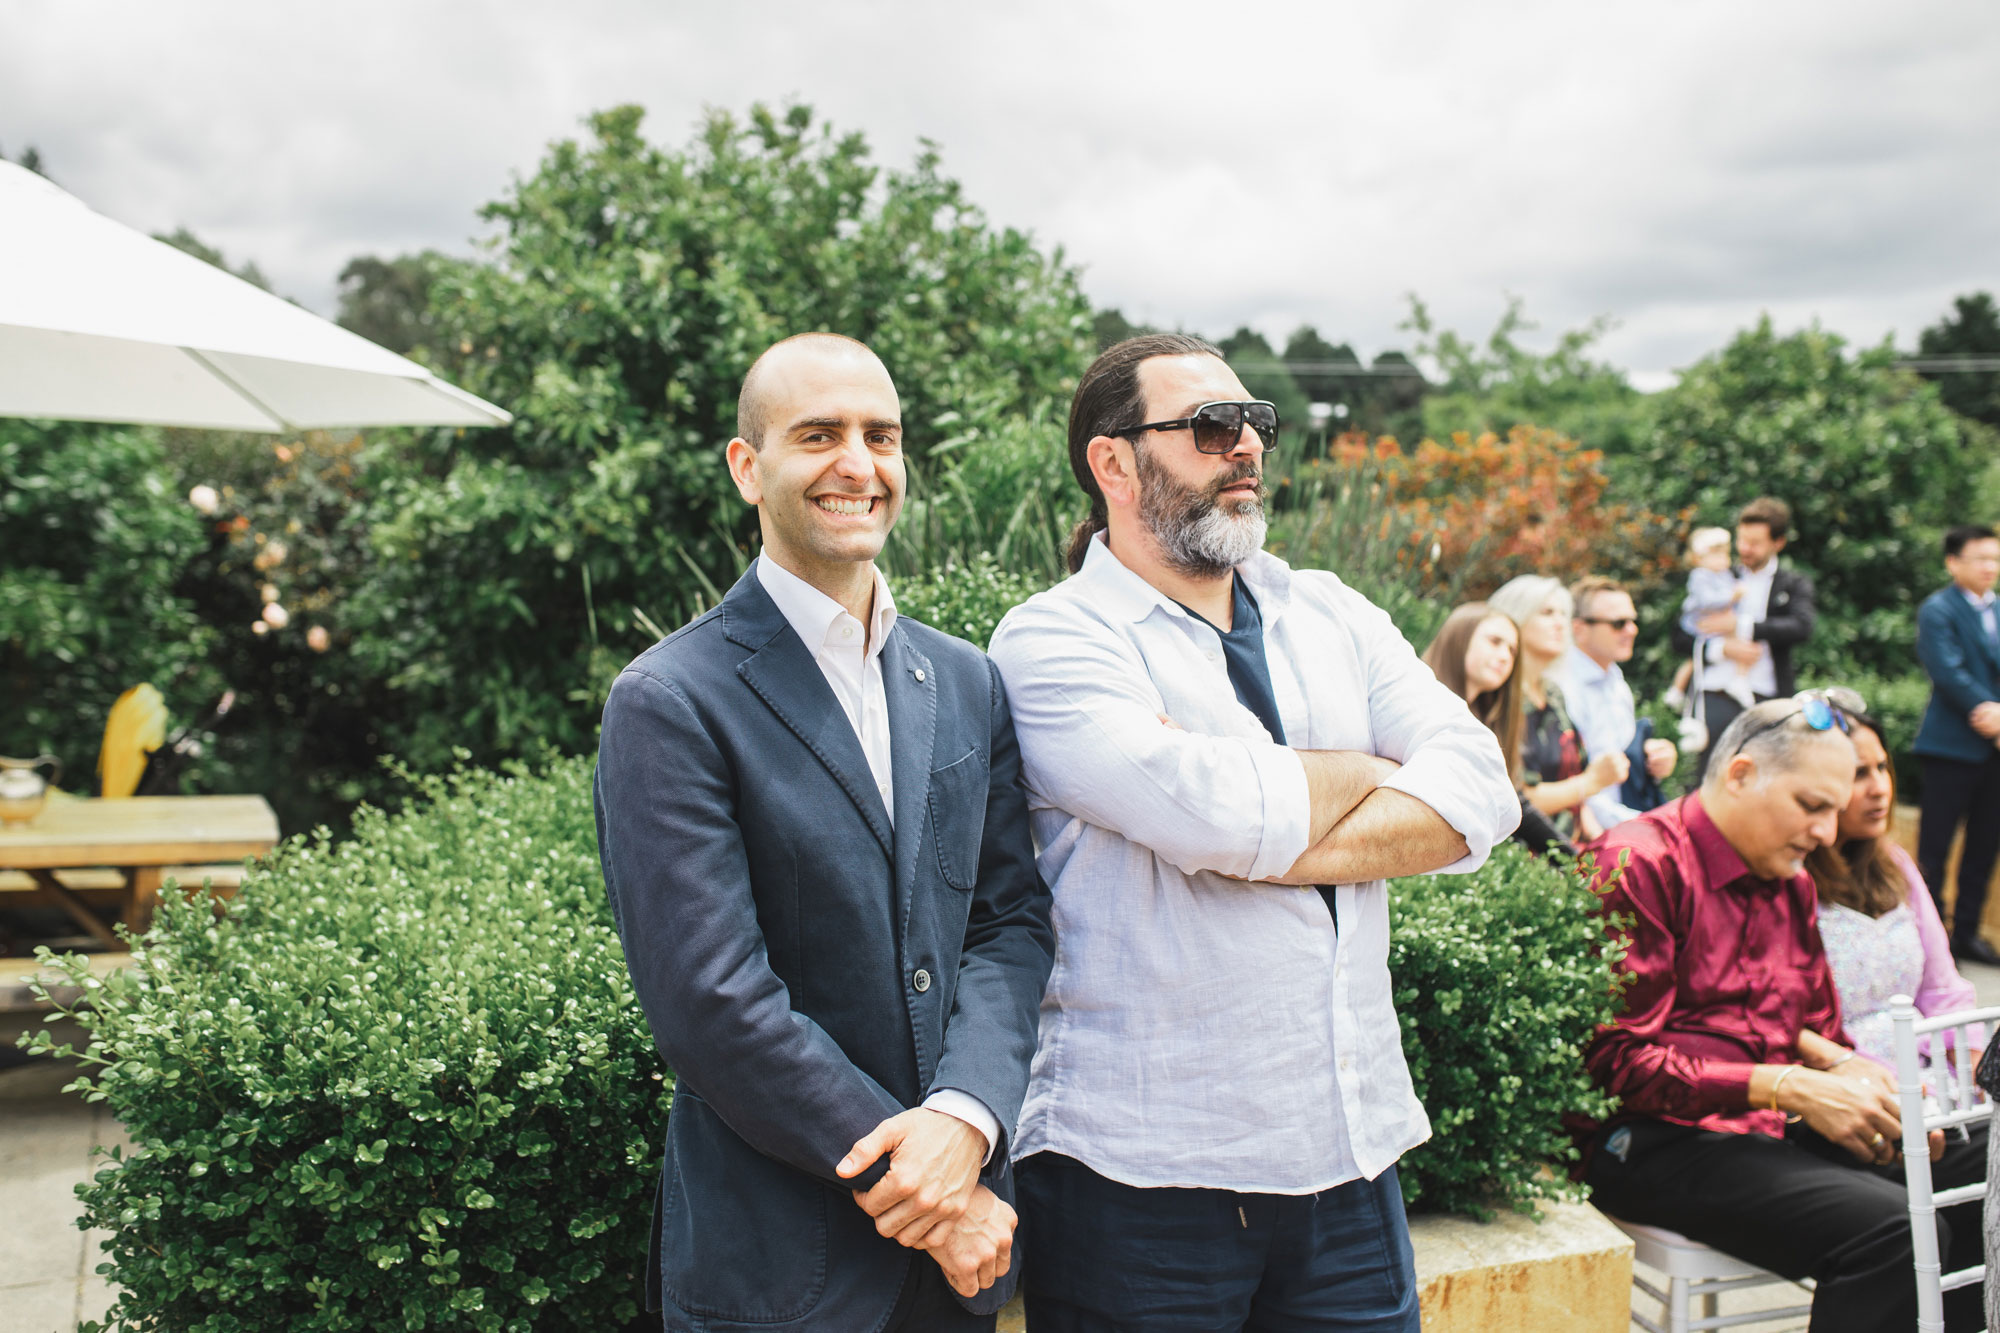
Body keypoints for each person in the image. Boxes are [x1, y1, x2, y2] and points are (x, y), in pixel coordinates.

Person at [986, 333, 1520, 1331]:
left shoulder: (1329, 611)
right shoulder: (1052, 638)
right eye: (1207, 427)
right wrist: (1369, 773)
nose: (1245, 446)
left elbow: (1478, 791)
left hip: (1351, 1163)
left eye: (1254, 423)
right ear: (1111, 462)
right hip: (1140, 1181)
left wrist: (1261, 835)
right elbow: (1213, 813)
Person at [593, 333, 1055, 1332]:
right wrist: (932, 1197)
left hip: (953, 1276)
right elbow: (713, 1003)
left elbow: (1008, 924)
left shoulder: (966, 681)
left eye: (879, 436)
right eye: (819, 435)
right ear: (746, 468)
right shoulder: (671, 700)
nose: (858, 463)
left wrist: (966, 1122)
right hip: (781, 1273)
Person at [1579, 695, 1988, 1333]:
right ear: (1740, 775)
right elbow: (1614, 1064)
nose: (1828, 832)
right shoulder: (1635, 862)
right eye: (1812, 806)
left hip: (1767, 1122)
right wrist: (1790, 1085)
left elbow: (1817, 1028)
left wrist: (1856, 1076)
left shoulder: (1791, 878)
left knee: (1987, 1163)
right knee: (1901, 1232)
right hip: (1647, 1138)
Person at [1804, 696, 1976, 1070]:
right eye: (1858, 774)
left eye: (1882, 767)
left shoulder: (1895, 864)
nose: (1880, 788)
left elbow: (1942, 986)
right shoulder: (1790, 879)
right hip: (1848, 1089)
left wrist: (1972, 1067)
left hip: (1934, 1083)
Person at [1673, 497, 1818, 777]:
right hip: (1716, 691)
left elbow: (1802, 627)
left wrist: (1742, 626)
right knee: (1709, 775)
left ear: (1778, 543)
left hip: (1768, 697)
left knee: (1763, 778)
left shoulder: (1793, 583)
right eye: (1741, 540)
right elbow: (1680, 636)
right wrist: (1721, 649)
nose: (1744, 549)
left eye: (1754, 543)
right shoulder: (1716, 575)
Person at [1914, 523, 2000, 966]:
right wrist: (1991, 710)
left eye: (1995, 558)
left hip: (1995, 750)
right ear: (1954, 563)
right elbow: (1947, 671)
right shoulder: (1937, 609)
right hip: (1950, 746)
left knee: (1985, 846)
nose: (1990, 567)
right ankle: (1933, 942)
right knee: (1935, 849)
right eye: (1981, 558)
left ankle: (1967, 934)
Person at [1489, 575, 1626, 843]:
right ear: (1515, 618)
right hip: (1527, 860)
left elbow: (1577, 790)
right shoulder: (1500, 700)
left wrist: (1601, 848)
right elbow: (1514, 799)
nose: (1559, 623)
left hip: (1572, 851)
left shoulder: (1553, 695)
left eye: (1563, 614)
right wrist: (1591, 783)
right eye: (1547, 612)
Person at [1423, 602, 1569, 854]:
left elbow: (1511, 799)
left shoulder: (1484, 720)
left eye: (1512, 651)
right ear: (1460, 638)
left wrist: (1574, 862)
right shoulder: (1421, 701)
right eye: (1494, 642)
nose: (1504, 656)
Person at [1551, 576, 1678, 833]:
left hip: (1623, 821)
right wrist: (1646, 827)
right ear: (1579, 629)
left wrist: (1651, 757)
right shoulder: (1562, 688)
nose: (1632, 630)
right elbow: (1579, 788)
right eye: (1619, 623)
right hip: (1589, 834)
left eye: (1632, 620)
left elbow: (1619, 755)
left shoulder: (1616, 681)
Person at [1665, 527, 1752, 712]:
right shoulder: (1700, 576)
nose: (1723, 560)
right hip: (1700, 627)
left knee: (1745, 648)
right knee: (1693, 661)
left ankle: (1740, 680)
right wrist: (1732, 596)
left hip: (1721, 628)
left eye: (1724, 556)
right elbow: (1706, 601)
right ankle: (1676, 691)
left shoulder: (1727, 574)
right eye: (1716, 556)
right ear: (1700, 558)